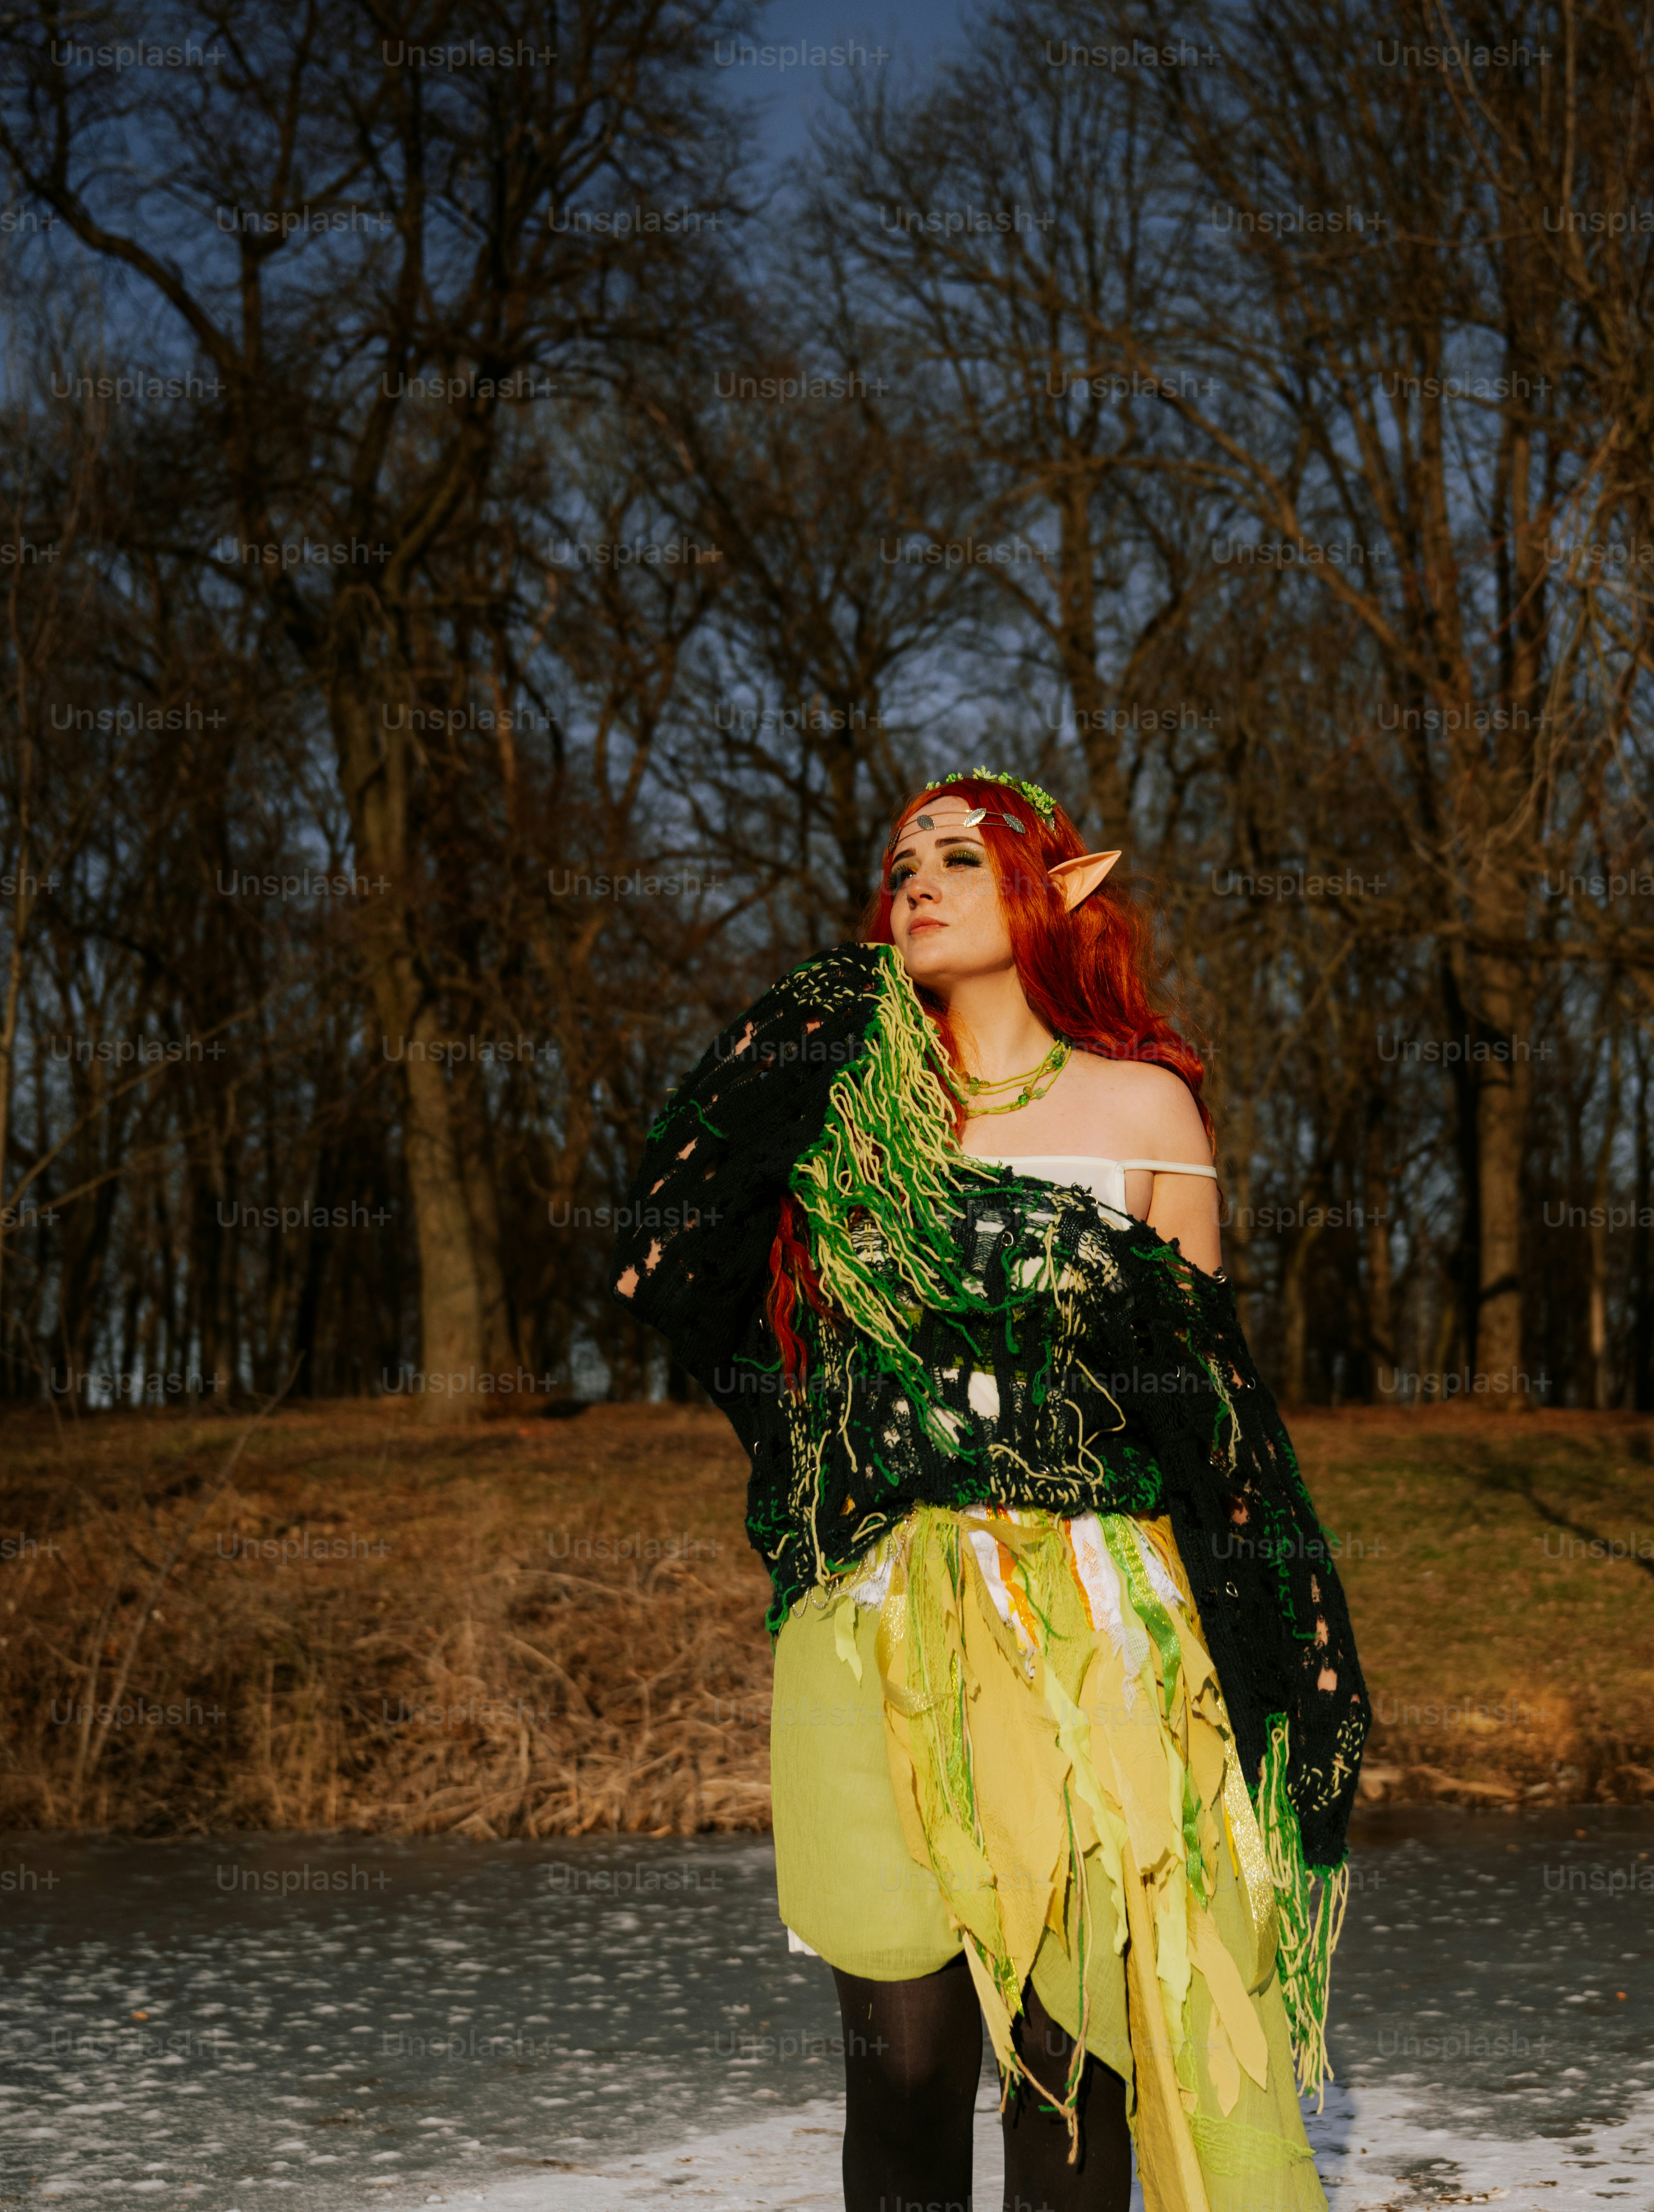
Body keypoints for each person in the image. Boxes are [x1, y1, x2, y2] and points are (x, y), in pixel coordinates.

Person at [611, 770, 1370, 2212]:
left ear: (1053, 894)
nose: (918, 883)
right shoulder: (848, 1127)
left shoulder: (1144, 1109)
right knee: (900, 2065)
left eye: (962, 858)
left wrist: (1259, 1655)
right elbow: (665, 1246)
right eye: (900, 866)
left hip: (1095, 1636)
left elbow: (1212, 1416)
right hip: (878, 1624)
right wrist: (833, 1013)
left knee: (1066, 2069)